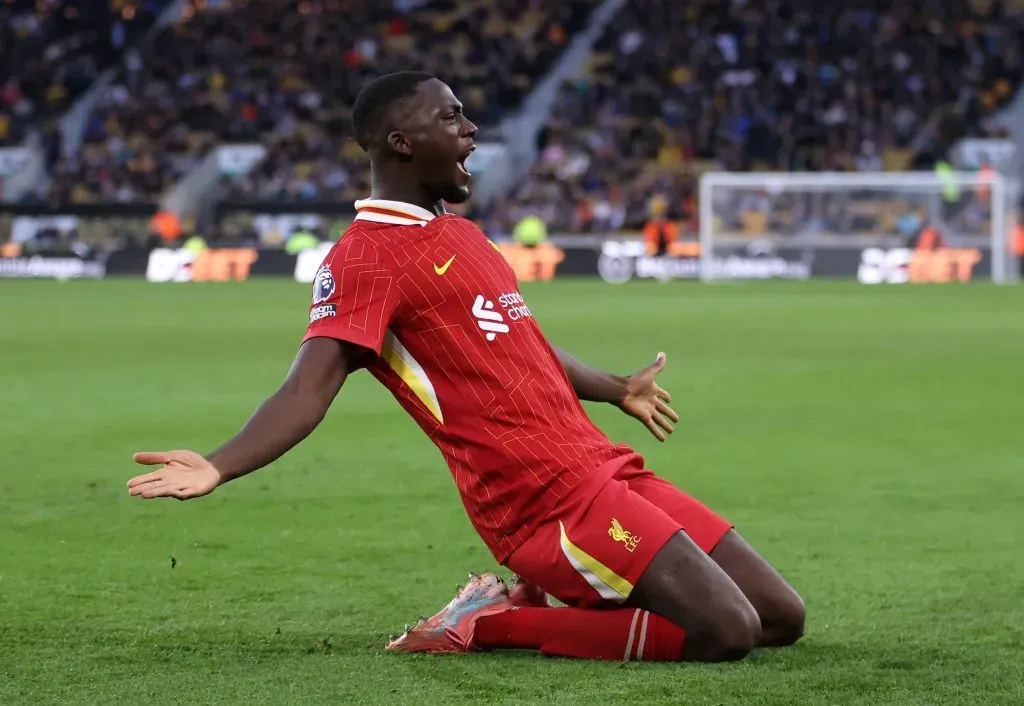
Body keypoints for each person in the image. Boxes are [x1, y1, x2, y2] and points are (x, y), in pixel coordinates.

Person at [126, 72, 805, 662]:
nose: (471, 128)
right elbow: (307, 387)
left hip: (601, 468)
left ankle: (553, 596)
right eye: (450, 116)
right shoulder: (364, 259)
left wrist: (617, 387)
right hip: (542, 502)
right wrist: (220, 463)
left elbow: (523, 344)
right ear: (401, 141)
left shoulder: (461, 234)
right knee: (726, 632)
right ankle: (492, 622)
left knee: (781, 617)